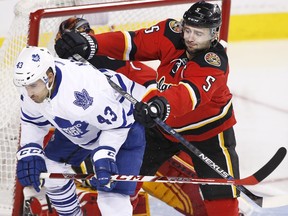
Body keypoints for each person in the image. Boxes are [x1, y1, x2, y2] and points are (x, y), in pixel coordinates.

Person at [55, 1, 240, 215]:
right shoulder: (171, 33)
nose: (190, 37)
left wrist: (160, 104)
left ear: (214, 33)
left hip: (208, 134)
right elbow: (133, 42)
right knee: (124, 181)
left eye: (198, 33)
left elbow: (189, 93)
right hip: (162, 128)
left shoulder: (214, 62)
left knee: (221, 198)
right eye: (188, 29)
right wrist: (90, 43)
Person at [14, 46, 146, 216]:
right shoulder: (34, 87)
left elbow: (118, 125)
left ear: (49, 77)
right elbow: (33, 122)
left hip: (126, 124)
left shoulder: (83, 92)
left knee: (111, 197)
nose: (29, 93)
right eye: (26, 86)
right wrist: (30, 150)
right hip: (82, 124)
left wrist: (104, 154)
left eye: (32, 86)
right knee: (50, 169)